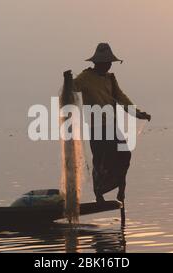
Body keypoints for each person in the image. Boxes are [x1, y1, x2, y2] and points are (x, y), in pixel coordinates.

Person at [63, 43, 151, 203]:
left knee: (124, 154)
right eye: (106, 63)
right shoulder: (85, 78)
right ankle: (99, 195)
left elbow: (121, 98)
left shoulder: (110, 79)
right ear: (98, 63)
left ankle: (120, 189)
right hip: (96, 127)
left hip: (111, 125)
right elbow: (72, 89)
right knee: (101, 161)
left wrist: (137, 113)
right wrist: (68, 81)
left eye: (110, 62)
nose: (109, 65)